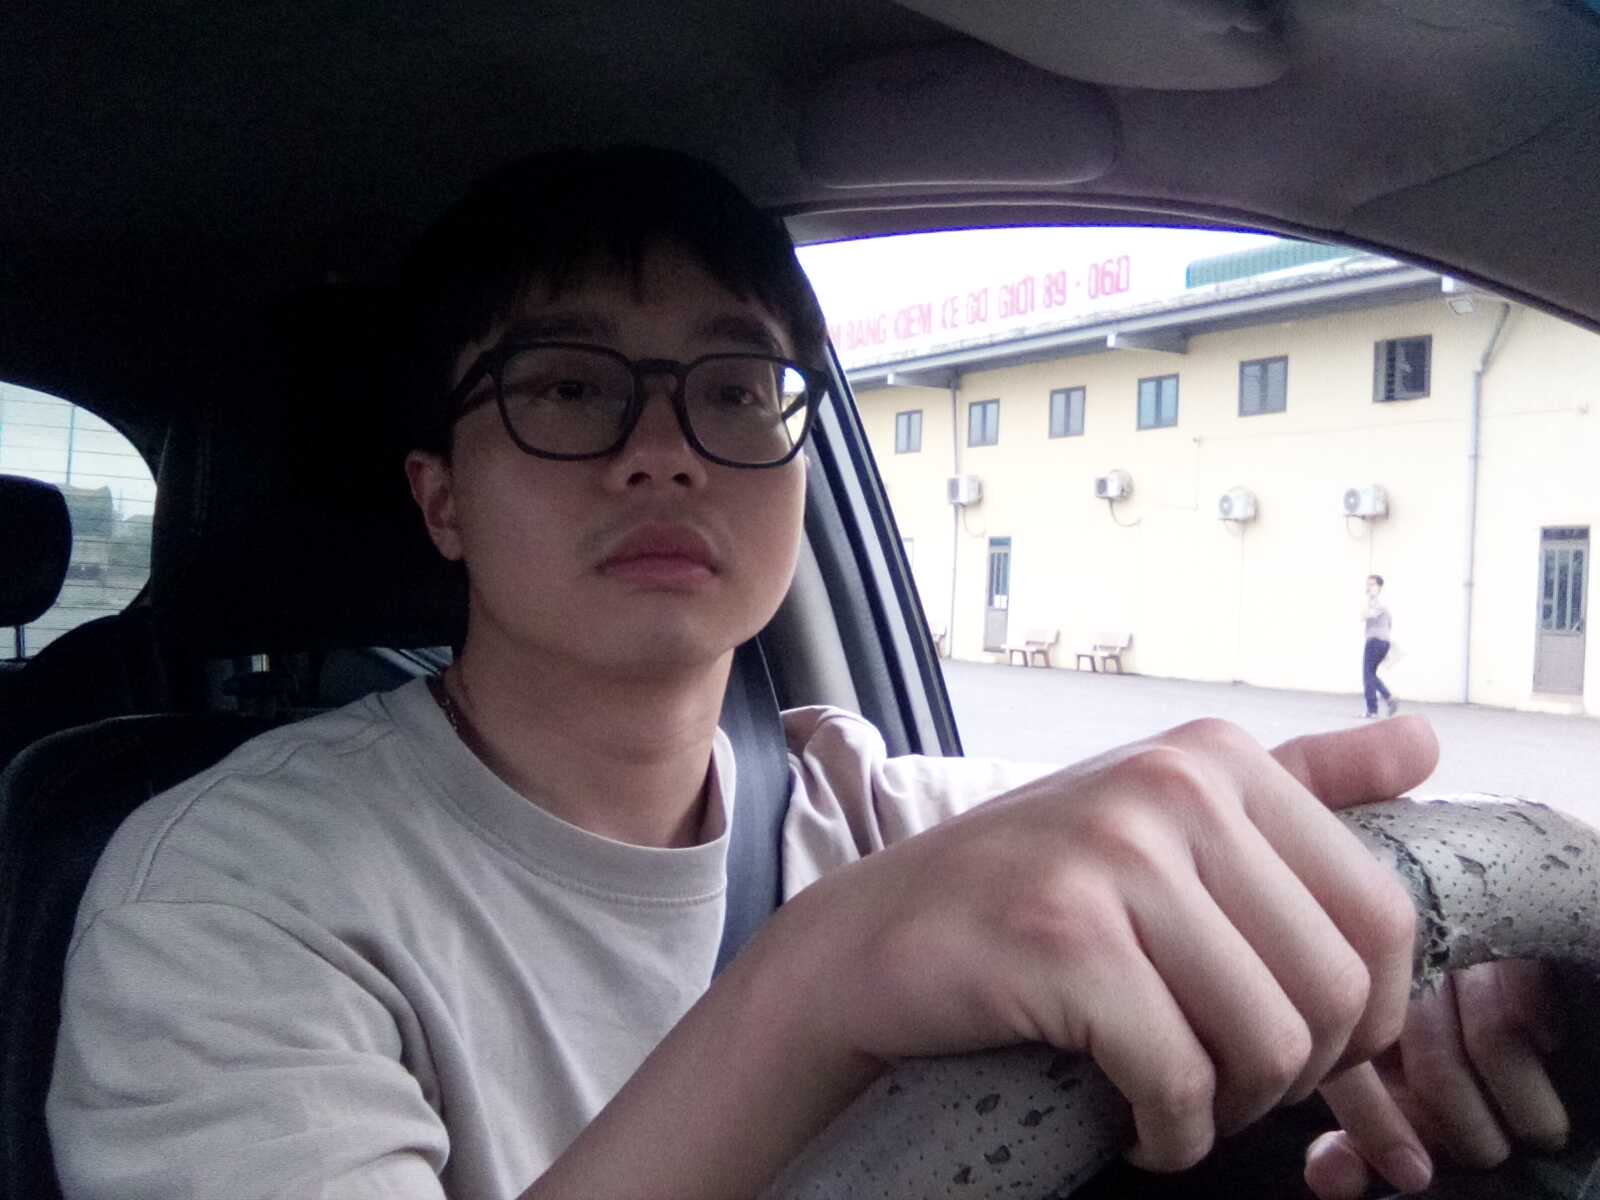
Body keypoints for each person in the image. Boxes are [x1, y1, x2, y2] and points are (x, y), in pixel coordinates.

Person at [47, 147, 1570, 1200]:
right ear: (440, 497)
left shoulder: (888, 811)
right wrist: (812, 989)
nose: (663, 453)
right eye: (567, 387)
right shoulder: (225, 892)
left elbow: (1144, 878)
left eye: (731, 390)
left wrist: (1430, 974)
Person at [1362, 574, 1399, 718]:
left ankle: (1376, 707)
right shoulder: (1379, 601)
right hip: (1382, 641)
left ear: (1379, 586)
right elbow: (1389, 623)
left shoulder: (1379, 601)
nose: (1368, 587)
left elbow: (1366, 615)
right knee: (1370, 674)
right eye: (1368, 584)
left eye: (1372, 584)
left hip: (1375, 641)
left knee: (1368, 675)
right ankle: (1384, 701)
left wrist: (1369, 603)